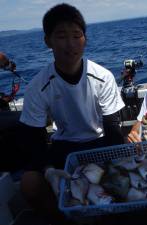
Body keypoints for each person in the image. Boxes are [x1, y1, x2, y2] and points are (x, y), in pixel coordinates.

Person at [19, 3, 125, 225]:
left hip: (101, 142)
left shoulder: (103, 77)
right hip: (64, 147)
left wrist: (110, 163)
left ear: (85, 39)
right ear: (47, 41)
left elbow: (114, 130)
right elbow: (34, 140)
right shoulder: (37, 87)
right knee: (29, 182)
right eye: (61, 36)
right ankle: (65, 218)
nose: (70, 44)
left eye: (77, 35)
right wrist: (48, 171)